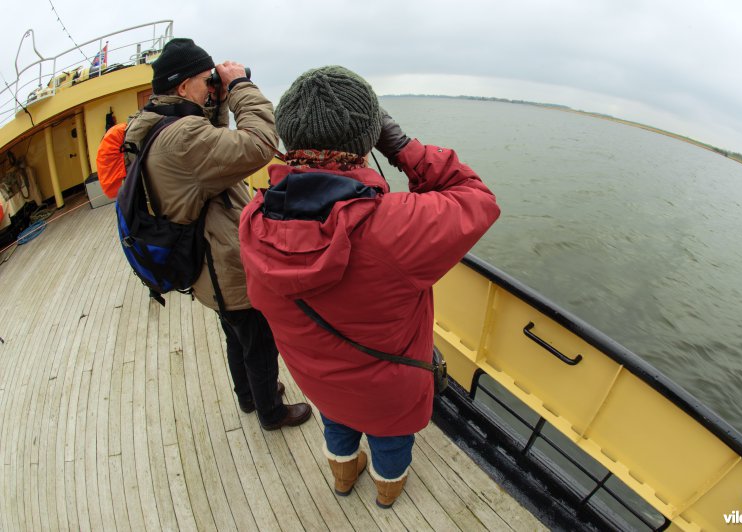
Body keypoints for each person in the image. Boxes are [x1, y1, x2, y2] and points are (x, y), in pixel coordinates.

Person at [239, 66, 500, 507]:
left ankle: (343, 478)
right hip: (389, 389)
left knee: (336, 423)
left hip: (316, 376)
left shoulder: (254, 221)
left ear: (286, 140)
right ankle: (386, 490)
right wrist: (402, 148)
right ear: (368, 138)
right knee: (391, 441)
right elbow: (477, 198)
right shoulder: (397, 227)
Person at [123, 38, 311, 430]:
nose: (212, 85)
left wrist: (219, 99)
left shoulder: (156, 123)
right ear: (181, 87)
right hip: (223, 263)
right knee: (258, 343)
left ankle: (247, 398)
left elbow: (209, 139)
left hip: (206, 264)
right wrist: (241, 87)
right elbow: (259, 144)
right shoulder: (182, 138)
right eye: (205, 80)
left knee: (235, 334)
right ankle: (271, 413)